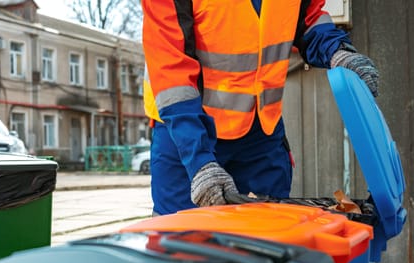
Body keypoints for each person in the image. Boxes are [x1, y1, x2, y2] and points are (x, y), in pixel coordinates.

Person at [142, 0, 379, 216]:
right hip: (184, 133)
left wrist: (337, 52)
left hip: (260, 136)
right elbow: (171, 69)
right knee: (182, 245)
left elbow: (307, 19)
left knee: (266, 244)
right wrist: (199, 162)